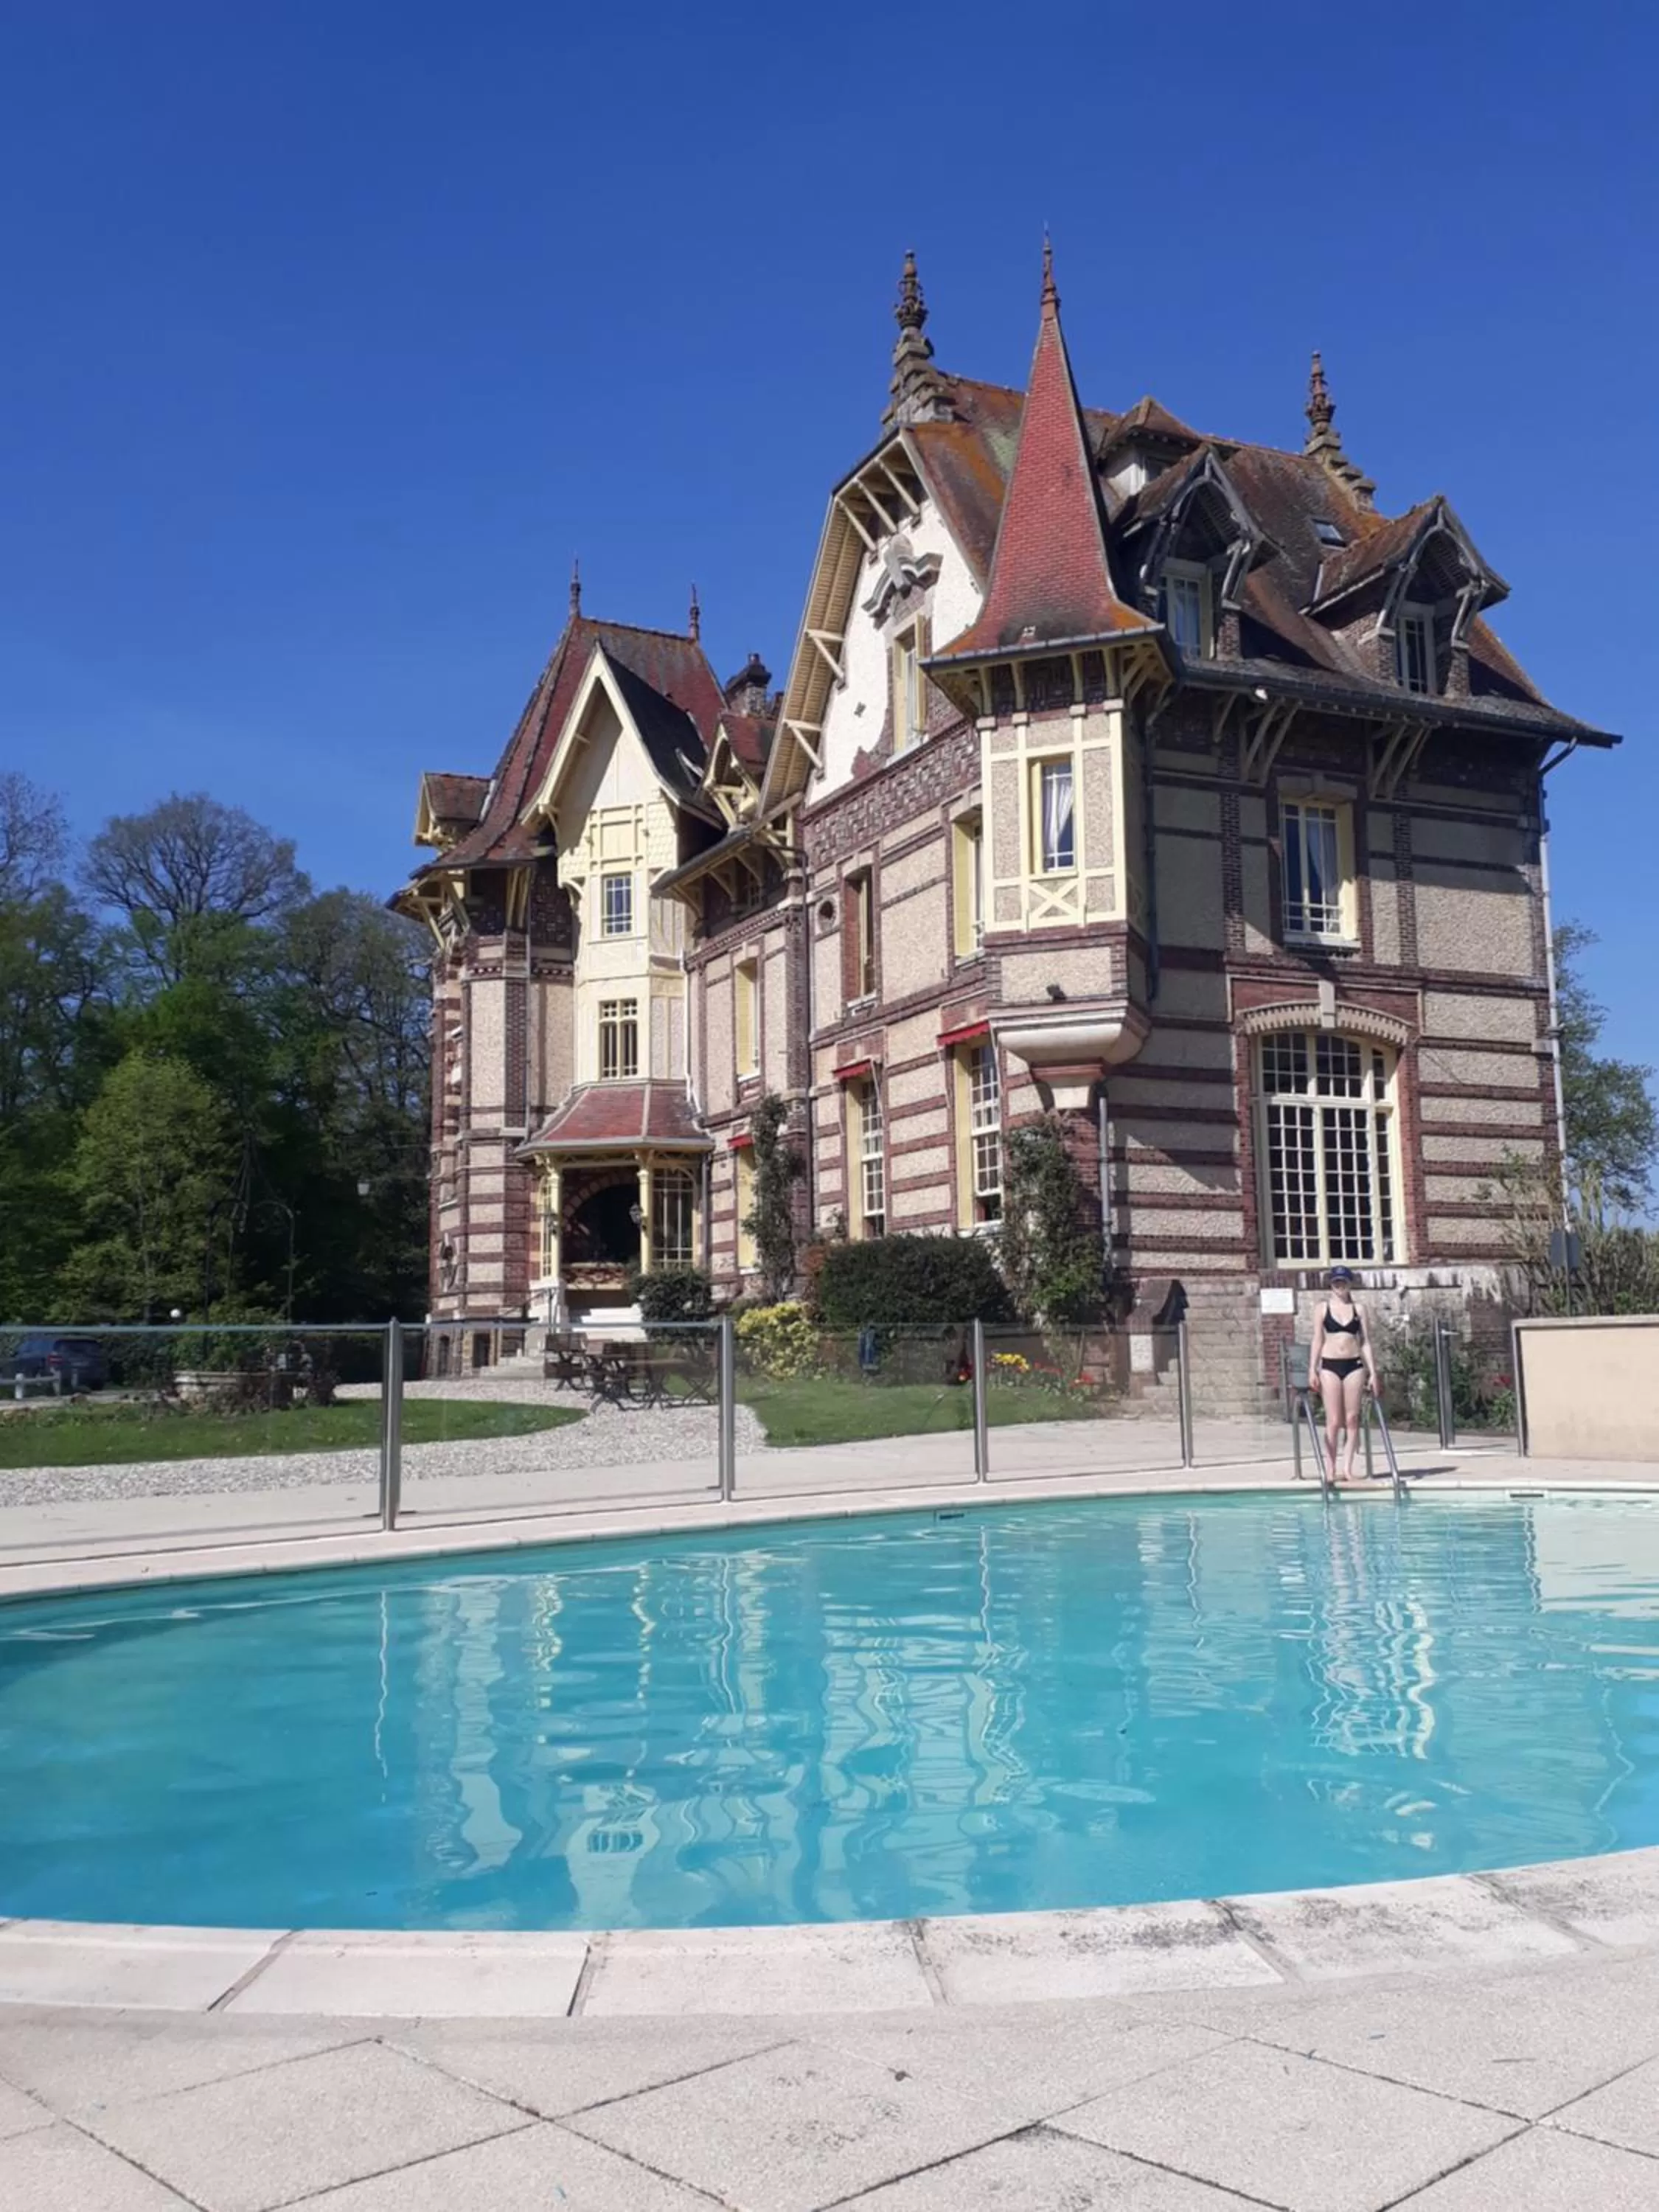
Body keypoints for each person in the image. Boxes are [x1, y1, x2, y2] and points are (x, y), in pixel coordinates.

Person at [1307, 1267, 1380, 1484]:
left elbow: (1365, 1342)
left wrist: (1373, 1372)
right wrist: (1312, 1368)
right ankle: (1330, 1469)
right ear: (1331, 1285)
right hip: (1330, 1365)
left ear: (1350, 1284)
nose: (1340, 1287)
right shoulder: (1322, 1309)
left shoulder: (1359, 1309)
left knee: (1352, 1419)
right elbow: (1317, 1340)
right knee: (1333, 1420)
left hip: (1354, 1365)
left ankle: (1348, 1469)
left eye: (1344, 1283)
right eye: (1336, 1283)